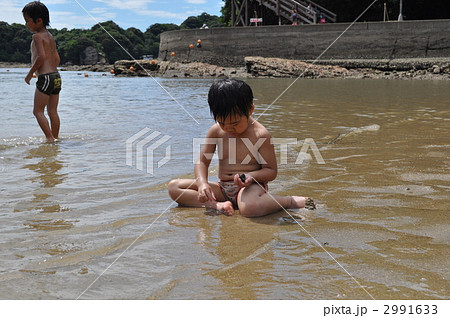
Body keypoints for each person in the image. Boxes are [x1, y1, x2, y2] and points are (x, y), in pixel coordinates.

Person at [168, 79, 315, 217]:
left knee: (249, 209)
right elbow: (202, 162)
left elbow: (271, 171)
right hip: (223, 188)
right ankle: (217, 205)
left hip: (250, 187)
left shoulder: (260, 135)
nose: (228, 128)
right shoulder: (216, 131)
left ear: (250, 110)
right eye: (222, 122)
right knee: (174, 187)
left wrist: (251, 177)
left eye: (235, 123)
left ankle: (289, 201)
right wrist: (202, 184)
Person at [23, 1, 61, 142]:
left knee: (37, 111)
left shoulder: (37, 37)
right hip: (56, 76)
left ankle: (50, 139)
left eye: (28, 21)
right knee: (52, 111)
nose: (26, 24)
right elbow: (57, 58)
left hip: (45, 78)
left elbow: (41, 57)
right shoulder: (50, 37)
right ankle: (55, 138)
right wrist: (51, 69)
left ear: (38, 21)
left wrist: (30, 73)